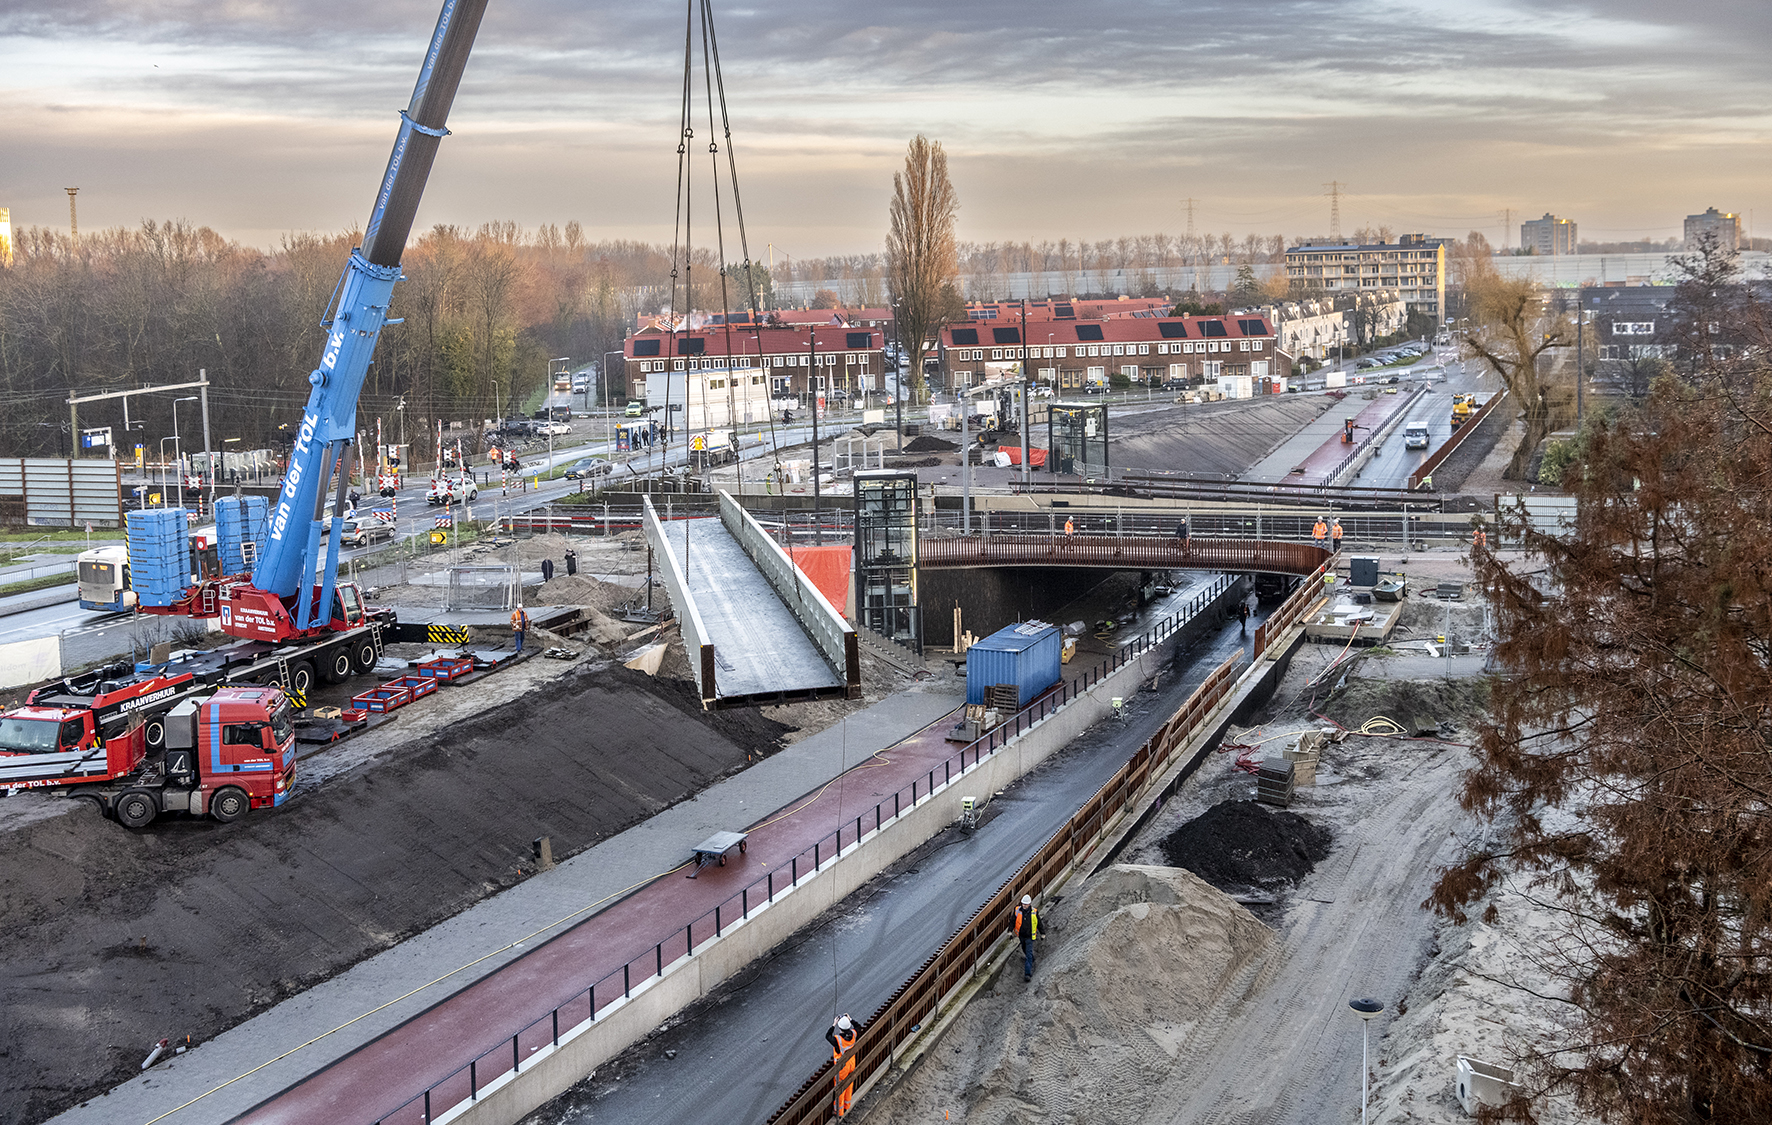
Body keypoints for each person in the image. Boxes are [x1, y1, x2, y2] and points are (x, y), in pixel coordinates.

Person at [826, 1014, 859, 1116]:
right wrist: (850, 1019)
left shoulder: (838, 1040)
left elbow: (827, 1036)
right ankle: (846, 1106)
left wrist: (833, 1024)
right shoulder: (853, 1034)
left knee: (840, 1089)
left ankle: (838, 1111)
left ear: (840, 1027)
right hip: (851, 1064)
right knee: (849, 1084)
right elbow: (858, 1026)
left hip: (842, 1068)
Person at [1012, 894, 1040, 981]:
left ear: (1029, 904)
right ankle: (1031, 957)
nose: (1024, 905)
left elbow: (1039, 923)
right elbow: (1012, 921)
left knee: (1028, 954)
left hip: (1029, 937)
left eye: (1025, 904)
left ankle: (1027, 974)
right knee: (1024, 949)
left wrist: (1042, 933)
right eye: (1023, 904)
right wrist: (1010, 931)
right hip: (1021, 936)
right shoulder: (1017, 911)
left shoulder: (1034, 912)